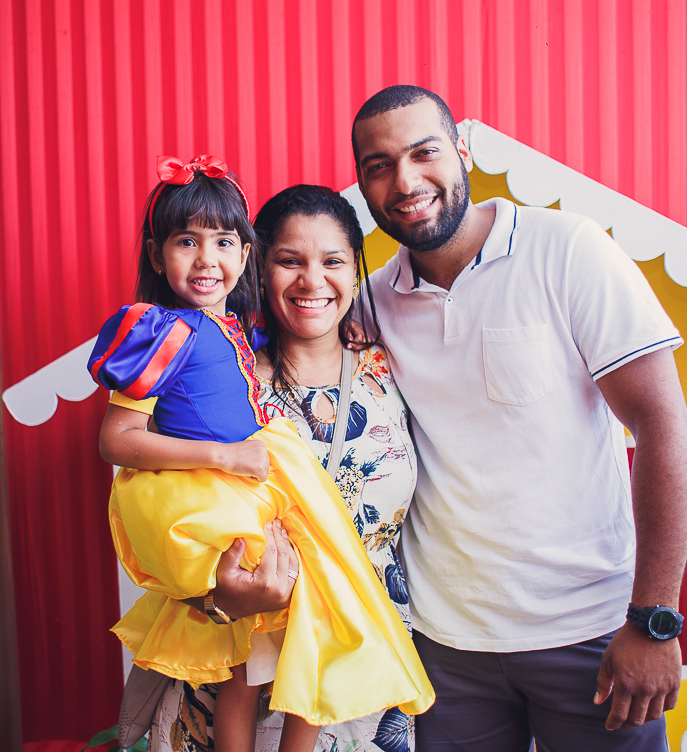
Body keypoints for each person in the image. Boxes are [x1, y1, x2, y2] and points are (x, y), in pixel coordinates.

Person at [351, 85, 687, 751]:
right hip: (445, 648)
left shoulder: (568, 249)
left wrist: (655, 618)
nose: (405, 180)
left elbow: (662, 425)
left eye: (424, 153)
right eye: (379, 166)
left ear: (462, 151)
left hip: (593, 634)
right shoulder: (369, 304)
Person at [89, 157, 432, 752]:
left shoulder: (391, 360)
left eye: (333, 262)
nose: (312, 282)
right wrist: (224, 600)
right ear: (261, 265)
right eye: (290, 261)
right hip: (223, 660)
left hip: (351, 666)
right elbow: (170, 514)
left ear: (356, 271)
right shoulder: (227, 370)